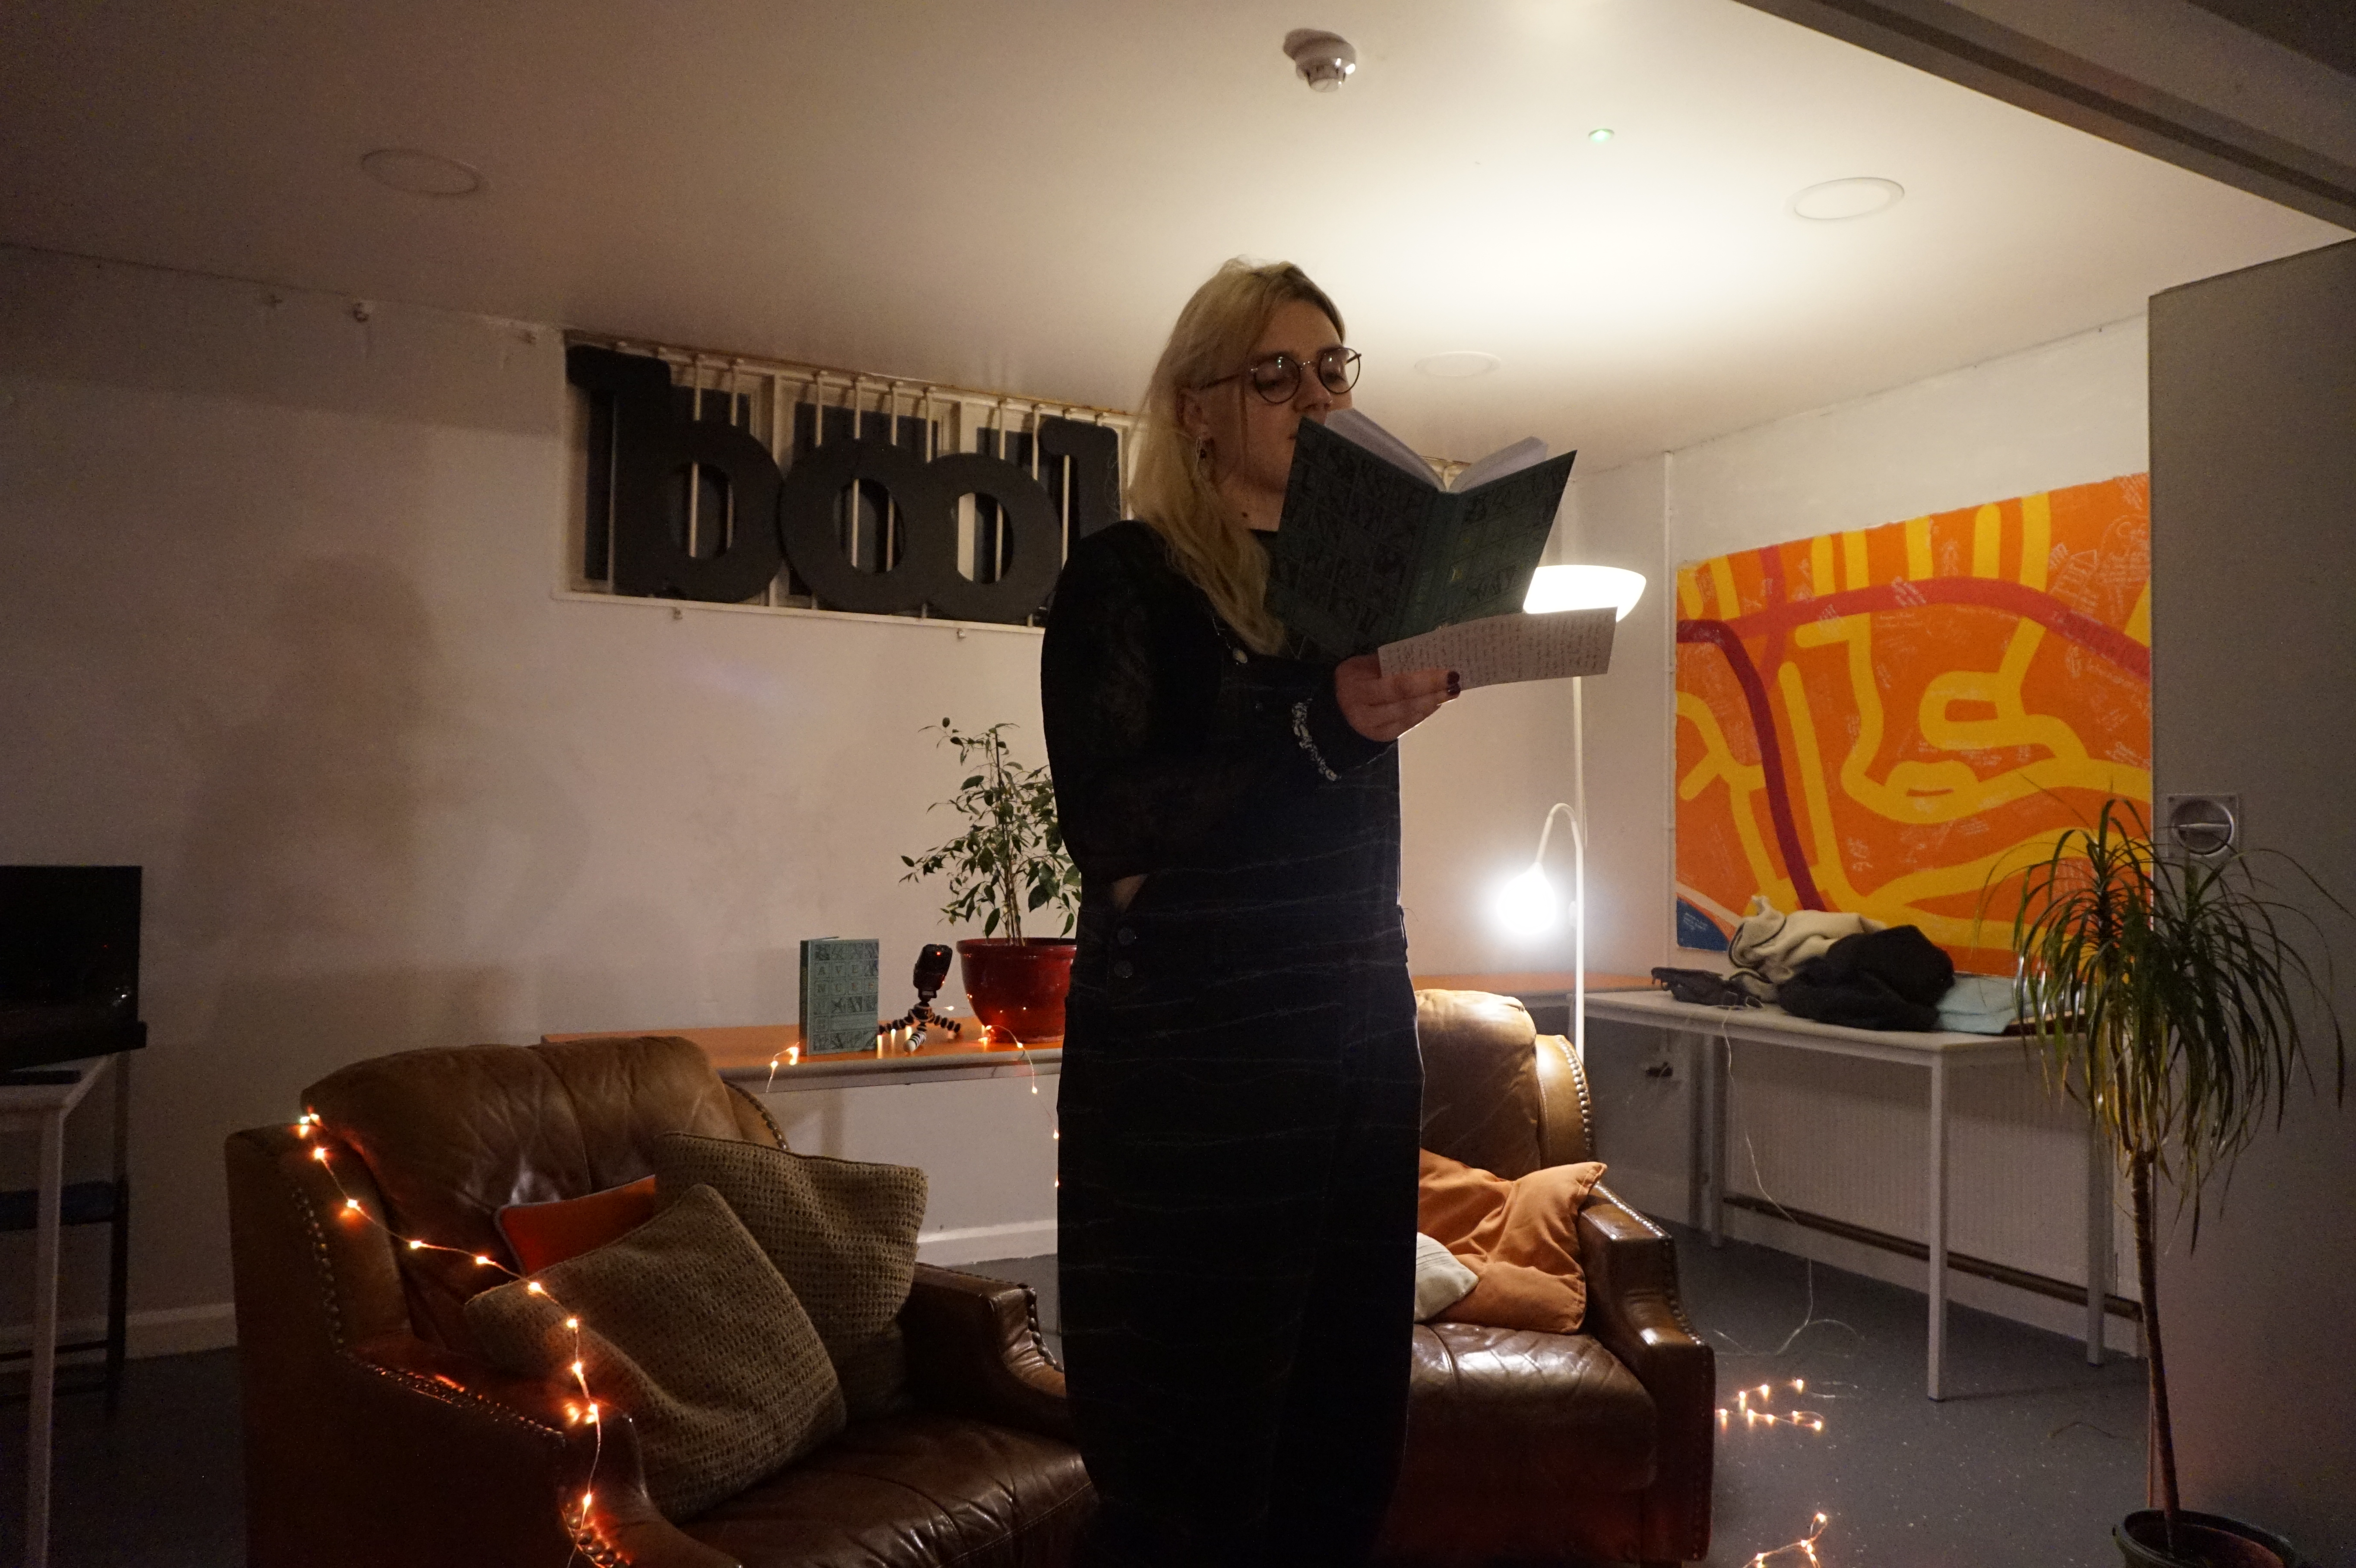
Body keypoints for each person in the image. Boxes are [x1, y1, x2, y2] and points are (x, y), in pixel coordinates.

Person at [1040, 258, 1457, 1568]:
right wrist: (1320, 726)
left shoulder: (1355, 594)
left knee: (1348, 1429)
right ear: (1198, 408)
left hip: (1358, 1034)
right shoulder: (1127, 577)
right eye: (1276, 373)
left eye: (1333, 369)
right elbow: (1116, 833)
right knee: (1192, 1448)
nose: (1316, 397)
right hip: (1196, 1059)